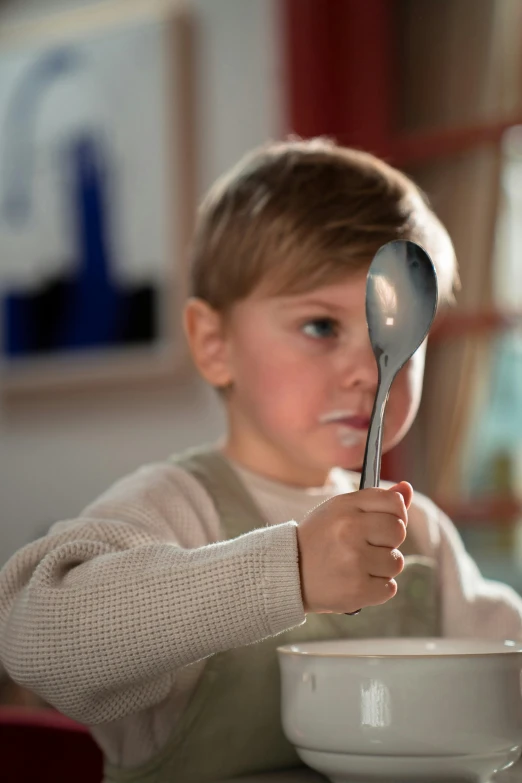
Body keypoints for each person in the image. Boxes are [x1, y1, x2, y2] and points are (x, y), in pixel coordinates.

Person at [1, 138, 522, 783]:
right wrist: (290, 569)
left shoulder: (421, 534)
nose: (367, 371)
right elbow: (37, 640)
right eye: (321, 327)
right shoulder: (174, 506)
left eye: (396, 339)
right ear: (214, 344)